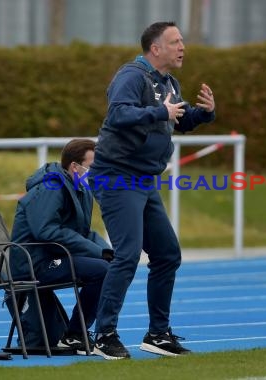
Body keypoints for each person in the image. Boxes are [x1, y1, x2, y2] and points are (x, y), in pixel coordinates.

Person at [89, 21, 216, 360]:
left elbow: (178, 120)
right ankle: (104, 334)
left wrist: (203, 114)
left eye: (182, 41)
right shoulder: (132, 76)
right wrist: (161, 110)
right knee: (127, 255)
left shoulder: (168, 81)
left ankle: (158, 335)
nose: (182, 47)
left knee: (167, 255)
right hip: (117, 177)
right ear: (155, 48)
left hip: (144, 180)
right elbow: (118, 115)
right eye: (175, 41)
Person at [10, 138, 113, 355]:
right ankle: (75, 334)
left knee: (110, 266)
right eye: (93, 166)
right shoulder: (51, 187)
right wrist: (99, 254)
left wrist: (108, 252)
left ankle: (76, 333)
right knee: (102, 271)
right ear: (75, 166)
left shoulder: (80, 188)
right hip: (34, 262)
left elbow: (84, 232)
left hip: (51, 256)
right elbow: (46, 231)